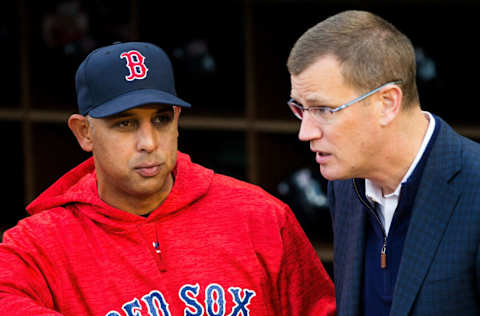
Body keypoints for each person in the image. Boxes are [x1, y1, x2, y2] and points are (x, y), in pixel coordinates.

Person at [0, 42, 336, 315]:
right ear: (84, 132)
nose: (149, 143)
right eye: (125, 123)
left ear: (176, 120)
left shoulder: (259, 216)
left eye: (160, 119)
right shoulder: (38, 245)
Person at [286, 10, 480, 316]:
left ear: (387, 103)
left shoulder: (474, 187)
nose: (305, 132)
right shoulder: (344, 186)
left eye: (323, 109)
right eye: (301, 109)